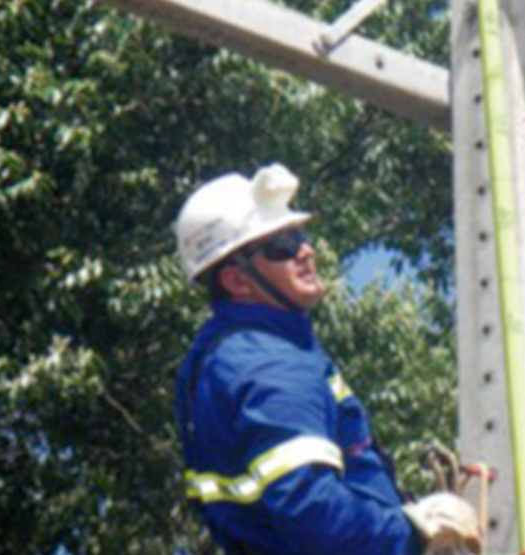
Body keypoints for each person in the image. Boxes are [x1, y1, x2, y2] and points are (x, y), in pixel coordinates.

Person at [173, 163, 481, 554]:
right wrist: (411, 531)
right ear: (236, 280)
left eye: (299, 236)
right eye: (281, 246)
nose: (305, 250)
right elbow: (310, 511)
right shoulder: (267, 361)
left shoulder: (231, 354)